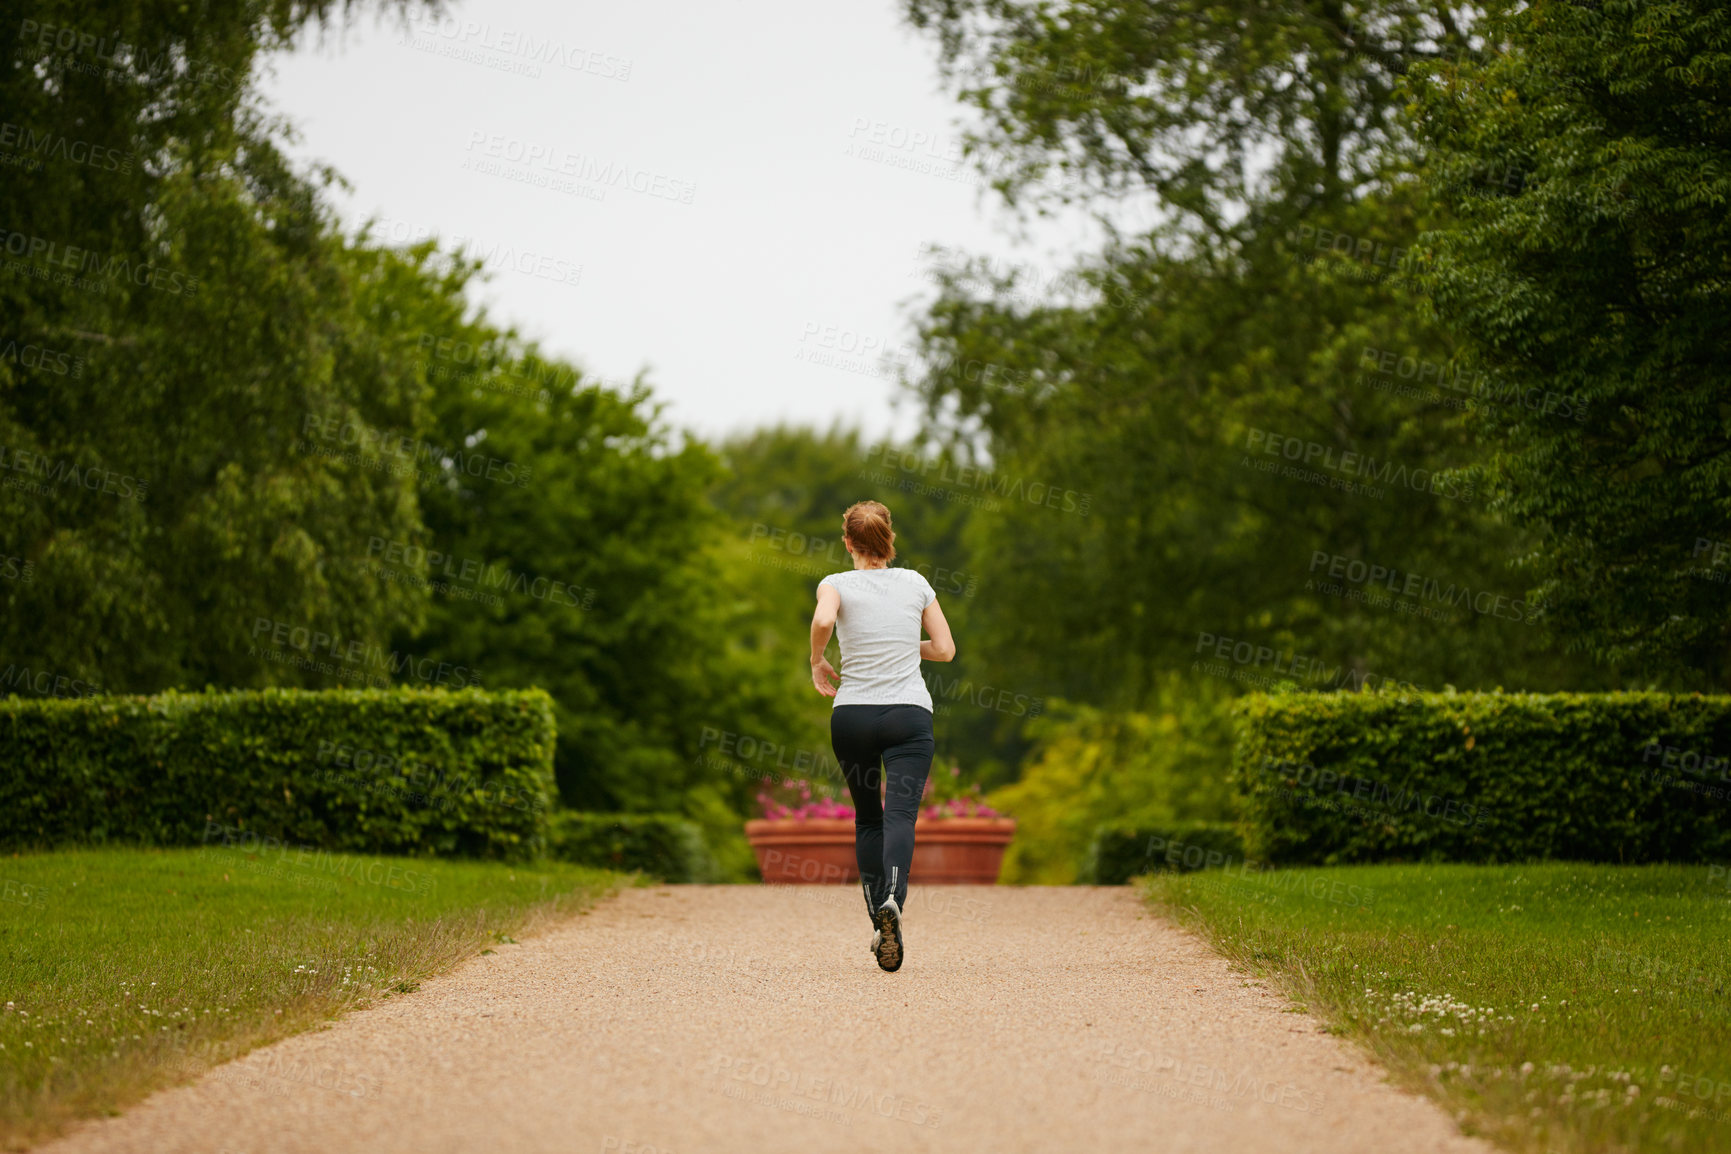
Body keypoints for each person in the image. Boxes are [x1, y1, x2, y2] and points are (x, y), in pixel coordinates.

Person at [809, 500, 955, 972]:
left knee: (868, 818)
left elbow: (823, 622)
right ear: (889, 540)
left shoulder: (835, 584)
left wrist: (817, 659)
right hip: (908, 716)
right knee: (900, 816)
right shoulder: (915, 583)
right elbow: (946, 650)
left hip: (851, 716)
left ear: (848, 542)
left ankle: (878, 918)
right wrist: (902, 644)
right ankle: (895, 898)